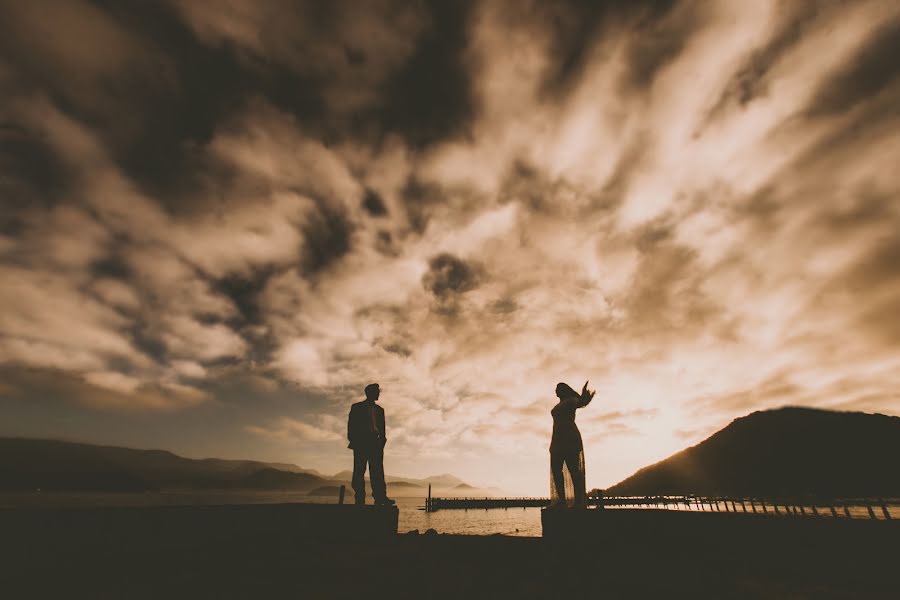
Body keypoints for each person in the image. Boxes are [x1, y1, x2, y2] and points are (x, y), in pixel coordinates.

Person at [549, 381, 595, 509]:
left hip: (569, 438)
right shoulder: (560, 404)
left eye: (558, 388)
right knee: (557, 470)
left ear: (564, 390)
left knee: (573, 470)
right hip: (557, 440)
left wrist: (584, 395)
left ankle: (579, 501)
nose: (555, 390)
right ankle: (562, 501)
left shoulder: (571, 401)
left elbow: (581, 402)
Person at [347, 383, 395, 506]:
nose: (379, 394)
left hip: (375, 443)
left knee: (377, 472)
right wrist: (354, 440)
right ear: (370, 393)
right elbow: (351, 425)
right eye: (377, 391)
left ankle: (380, 498)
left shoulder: (380, 410)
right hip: (361, 443)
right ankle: (359, 499)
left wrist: (383, 440)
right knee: (359, 471)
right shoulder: (357, 407)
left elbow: (382, 428)